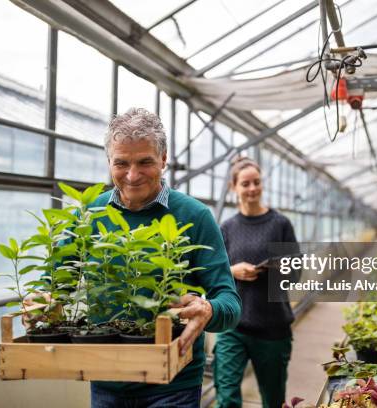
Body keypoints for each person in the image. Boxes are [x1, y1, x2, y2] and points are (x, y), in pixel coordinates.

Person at [26, 108, 241, 408]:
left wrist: (208, 308)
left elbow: (230, 304)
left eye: (145, 162)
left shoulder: (195, 216)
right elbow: (54, 283)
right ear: (109, 162)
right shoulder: (89, 216)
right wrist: (43, 301)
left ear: (164, 159)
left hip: (173, 384)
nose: (132, 175)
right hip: (106, 379)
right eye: (121, 163)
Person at [213, 156, 298, 408]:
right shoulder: (226, 228)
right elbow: (214, 273)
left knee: (273, 401)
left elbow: (295, 273)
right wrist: (232, 271)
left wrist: (272, 269)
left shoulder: (280, 224)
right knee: (226, 399)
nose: (252, 189)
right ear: (234, 187)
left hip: (272, 327)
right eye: (245, 184)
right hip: (232, 327)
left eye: (257, 182)